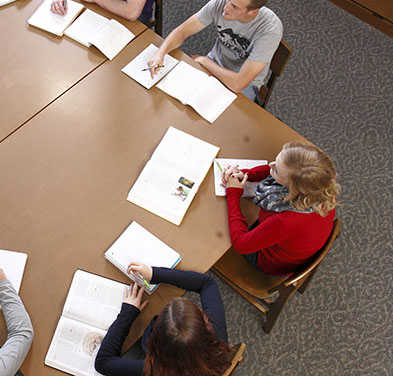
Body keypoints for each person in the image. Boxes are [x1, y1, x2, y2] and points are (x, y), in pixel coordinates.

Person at [147, 0, 282, 101]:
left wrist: (205, 61)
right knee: (173, 97)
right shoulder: (221, 2)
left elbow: (238, 84)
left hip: (244, 85)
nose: (226, 7)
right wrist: (161, 53)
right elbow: (182, 31)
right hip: (215, 63)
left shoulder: (270, 30)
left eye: (234, 6)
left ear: (253, 12)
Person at [221, 141, 339, 276]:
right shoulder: (323, 181)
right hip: (293, 244)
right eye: (276, 161)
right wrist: (246, 174)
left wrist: (233, 193)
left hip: (270, 262)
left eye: (276, 170)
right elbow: (281, 169)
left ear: (293, 188)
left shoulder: (284, 221)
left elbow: (241, 245)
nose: (270, 165)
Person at [95, 263, 233, 376]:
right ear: (203, 324)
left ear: (156, 343)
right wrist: (155, 274)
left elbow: (103, 362)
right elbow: (207, 283)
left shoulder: (156, 370)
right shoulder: (217, 337)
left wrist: (128, 312)